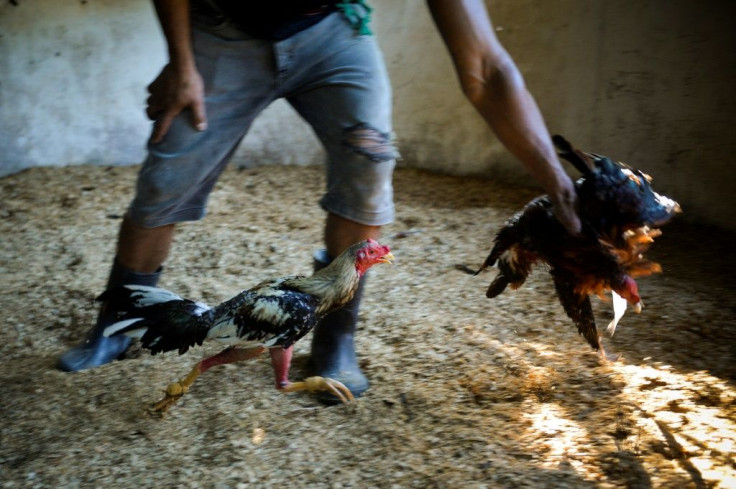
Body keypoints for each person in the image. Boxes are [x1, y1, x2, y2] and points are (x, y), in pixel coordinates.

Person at [58, 0, 581, 401]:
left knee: (369, 160)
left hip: (334, 31)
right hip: (221, 28)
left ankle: (334, 341)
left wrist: (557, 181)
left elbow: (486, 69)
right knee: (168, 172)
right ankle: (115, 326)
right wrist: (180, 62)